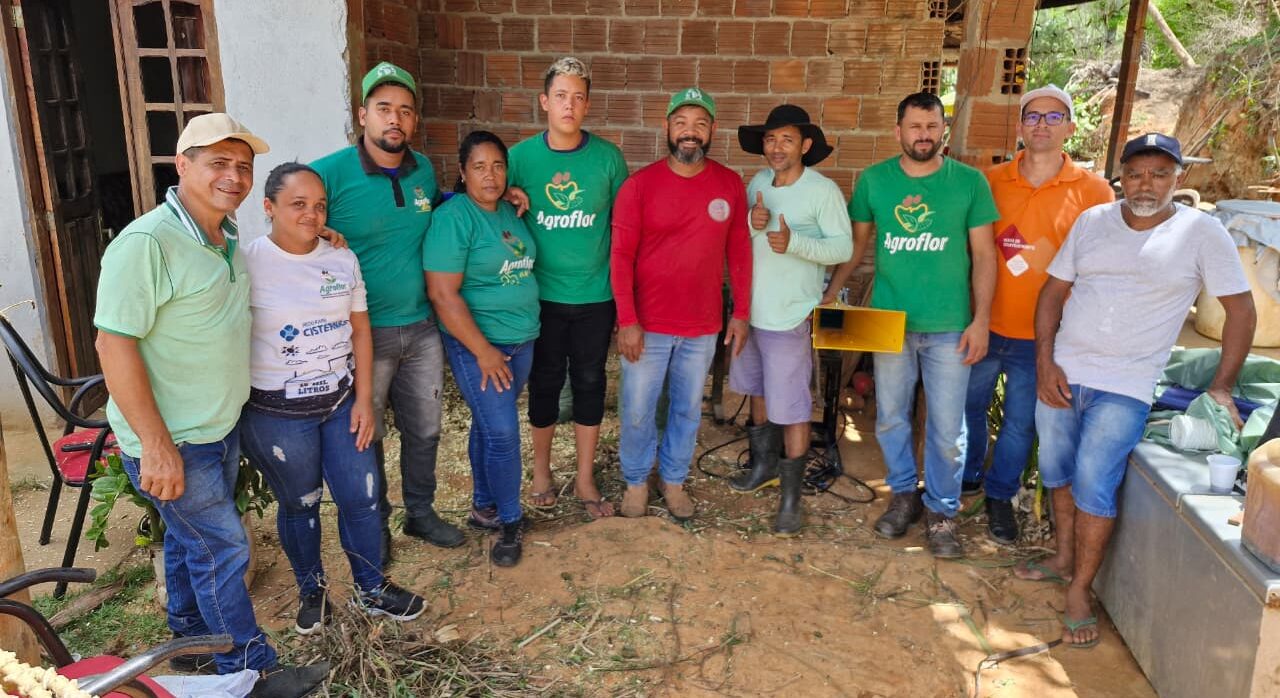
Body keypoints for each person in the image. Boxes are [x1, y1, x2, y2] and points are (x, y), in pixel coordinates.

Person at [94, 114, 327, 697]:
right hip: (173, 438)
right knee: (222, 547)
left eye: (242, 167)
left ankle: (193, 639)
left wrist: (324, 242)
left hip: (215, 429)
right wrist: (155, 444)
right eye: (217, 163)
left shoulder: (223, 239)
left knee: (188, 540)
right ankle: (251, 671)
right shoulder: (147, 244)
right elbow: (112, 343)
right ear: (183, 166)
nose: (233, 176)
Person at [1020, 133, 1255, 648]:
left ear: (1179, 178)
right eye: (1136, 173)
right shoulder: (1093, 222)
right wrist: (1044, 362)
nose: (1146, 184)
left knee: (1093, 484)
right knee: (1056, 470)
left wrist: (1222, 388)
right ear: (1120, 176)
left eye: (1160, 174)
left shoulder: (1202, 233)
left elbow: (1241, 310)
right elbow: (1052, 292)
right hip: (1063, 372)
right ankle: (1063, 558)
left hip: (1125, 384)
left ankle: (1081, 589)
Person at [238, 162, 426, 635]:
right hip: (277, 412)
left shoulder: (341, 258)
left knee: (362, 498)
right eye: (298, 204)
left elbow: (360, 329)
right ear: (269, 207)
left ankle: (372, 588)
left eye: (319, 205)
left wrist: (365, 400)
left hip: (340, 404)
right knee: (301, 503)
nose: (311, 214)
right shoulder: (245, 263)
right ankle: (312, 591)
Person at [823, 92, 999, 559]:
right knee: (891, 417)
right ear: (898, 131)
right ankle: (904, 495)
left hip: (949, 325)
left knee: (946, 427)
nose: (924, 135)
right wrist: (829, 295)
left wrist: (981, 320)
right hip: (889, 321)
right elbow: (856, 250)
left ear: (943, 129)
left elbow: (984, 256)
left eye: (932, 126)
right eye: (915, 126)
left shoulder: (970, 183)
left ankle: (942, 511)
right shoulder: (875, 182)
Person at [961, 85, 1115, 544]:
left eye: (1053, 117)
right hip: (984, 323)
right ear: (1019, 126)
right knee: (967, 406)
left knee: (1021, 422)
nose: (1041, 125)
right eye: (1032, 117)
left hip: (1044, 335)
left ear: (1069, 127)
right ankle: (968, 475)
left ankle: (999, 493)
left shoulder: (1093, 191)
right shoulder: (989, 181)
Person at [611, 87, 752, 521]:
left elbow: (740, 253)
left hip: (702, 326)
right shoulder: (640, 186)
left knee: (687, 409)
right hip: (647, 326)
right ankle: (636, 480)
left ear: (712, 131)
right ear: (667, 129)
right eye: (681, 124)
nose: (690, 133)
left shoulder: (729, 185)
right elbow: (619, 256)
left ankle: (672, 480)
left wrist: (742, 313)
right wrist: (628, 320)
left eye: (700, 124)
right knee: (637, 408)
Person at [506, 57, 628, 518]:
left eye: (578, 97)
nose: (569, 105)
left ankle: (584, 477)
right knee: (544, 383)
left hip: (596, 296)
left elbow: (624, 228)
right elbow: (484, 199)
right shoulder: (519, 158)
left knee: (591, 383)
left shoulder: (608, 157)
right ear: (544, 102)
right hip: (541, 296)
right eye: (561, 95)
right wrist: (507, 196)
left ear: (588, 105)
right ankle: (541, 471)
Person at [730, 104, 852, 535]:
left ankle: (791, 499)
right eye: (769, 139)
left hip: (790, 316)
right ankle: (762, 467)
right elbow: (737, 241)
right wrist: (750, 221)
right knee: (758, 393)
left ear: (805, 145)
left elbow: (842, 249)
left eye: (786, 139)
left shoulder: (822, 192)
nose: (776, 147)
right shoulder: (758, 183)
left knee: (794, 408)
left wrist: (795, 242)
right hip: (751, 313)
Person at [424, 131, 541, 567]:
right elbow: (442, 294)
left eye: (497, 166)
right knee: (504, 432)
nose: (489, 175)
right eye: (479, 167)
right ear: (461, 172)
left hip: (522, 338)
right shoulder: (453, 218)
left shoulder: (511, 210)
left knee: (489, 427)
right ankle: (510, 523)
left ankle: (483, 505)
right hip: (481, 346)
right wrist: (483, 351)